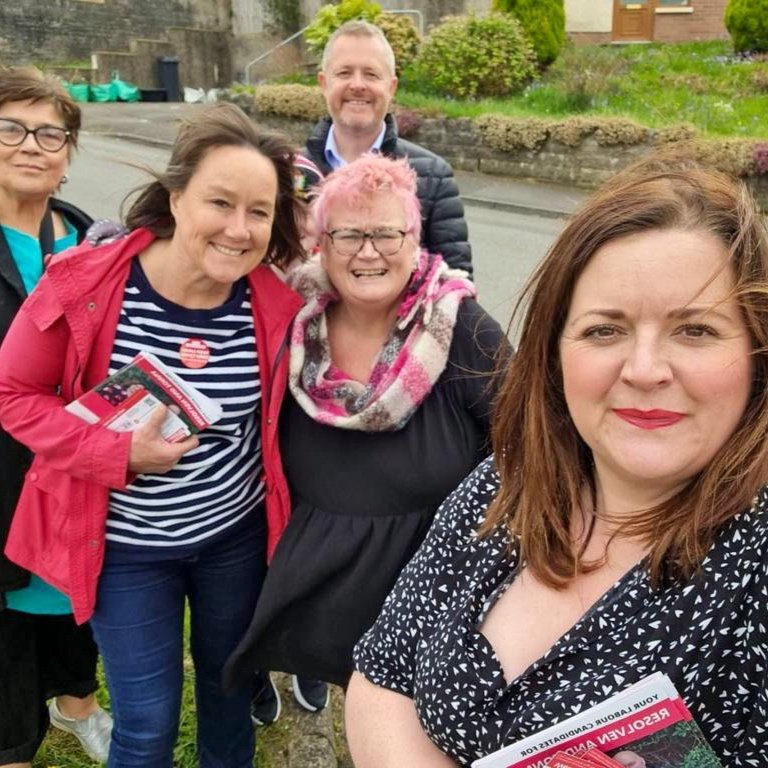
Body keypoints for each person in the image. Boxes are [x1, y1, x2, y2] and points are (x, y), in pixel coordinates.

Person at [345, 152, 768, 767]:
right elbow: (383, 674)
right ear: (553, 353)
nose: (645, 370)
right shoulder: (503, 486)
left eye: (695, 330)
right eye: (605, 330)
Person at [0, 102, 305, 767]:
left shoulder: (276, 303)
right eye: (219, 202)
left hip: (235, 540)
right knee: (147, 724)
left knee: (230, 696)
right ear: (175, 197)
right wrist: (116, 451)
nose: (238, 228)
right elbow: (12, 396)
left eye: (260, 211)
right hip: (126, 549)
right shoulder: (87, 282)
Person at [228, 154, 509, 722]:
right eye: (349, 234)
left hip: (432, 588)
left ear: (415, 239)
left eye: (385, 233)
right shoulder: (288, 320)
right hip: (318, 580)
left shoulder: (462, 328)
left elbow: (530, 446)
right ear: (322, 244)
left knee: (413, 733)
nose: (368, 251)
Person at [0, 66, 112, 767]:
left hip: (79, 468)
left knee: (79, 598)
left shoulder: (91, 243)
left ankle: (79, 705)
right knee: (8, 630)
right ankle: (14, 746)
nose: (31, 144)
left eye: (50, 132)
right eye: (11, 128)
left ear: (69, 152)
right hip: (5, 476)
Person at [303, 20, 473, 277]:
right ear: (324, 83)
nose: (357, 84)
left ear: (391, 87)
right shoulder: (288, 171)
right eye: (344, 72)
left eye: (371, 74)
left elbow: (456, 285)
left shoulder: (434, 176)